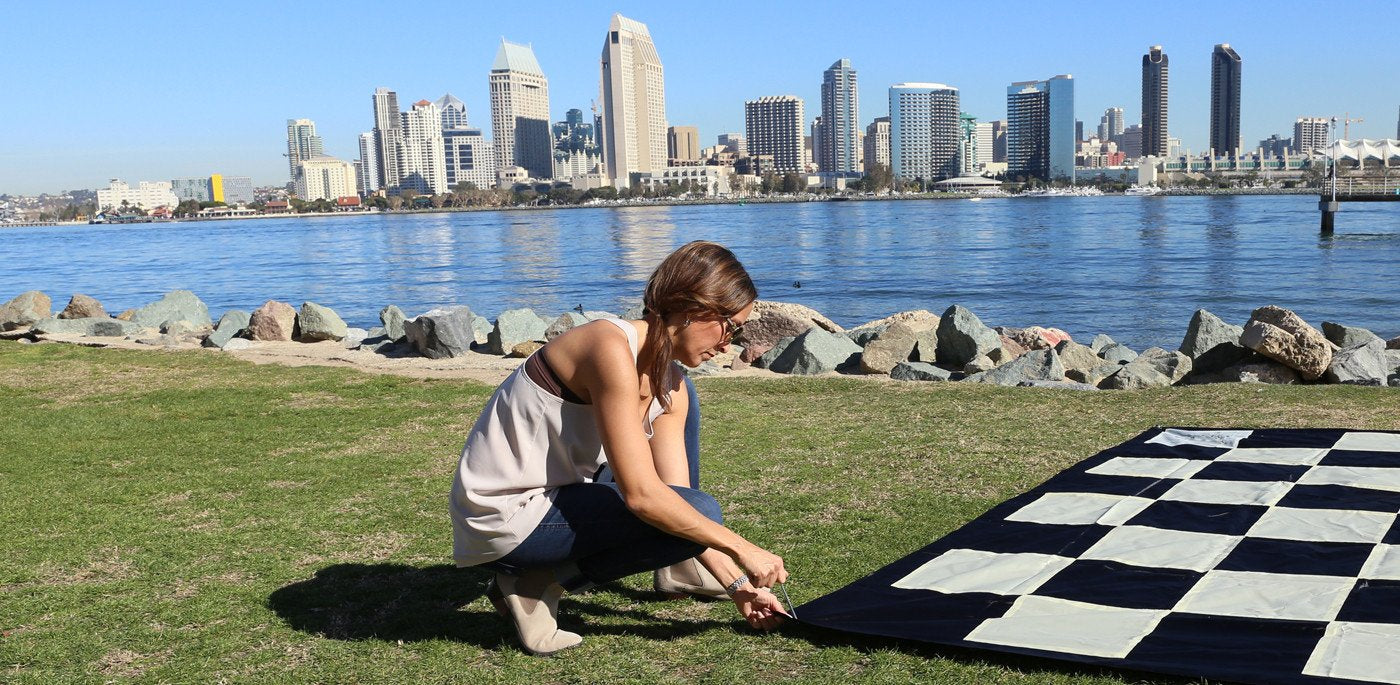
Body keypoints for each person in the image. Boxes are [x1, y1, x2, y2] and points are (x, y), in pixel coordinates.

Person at [450, 241, 788, 655]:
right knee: (695, 512)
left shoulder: (672, 383)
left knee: (688, 493)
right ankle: (532, 583)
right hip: (507, 514)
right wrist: (743, 549)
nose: (729, 344)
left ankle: (680, 572)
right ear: (691, 308)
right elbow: (645, 499)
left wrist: (738, 587)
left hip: (563, 494)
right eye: (731, 326)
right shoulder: (607, 347)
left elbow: (677, 503)